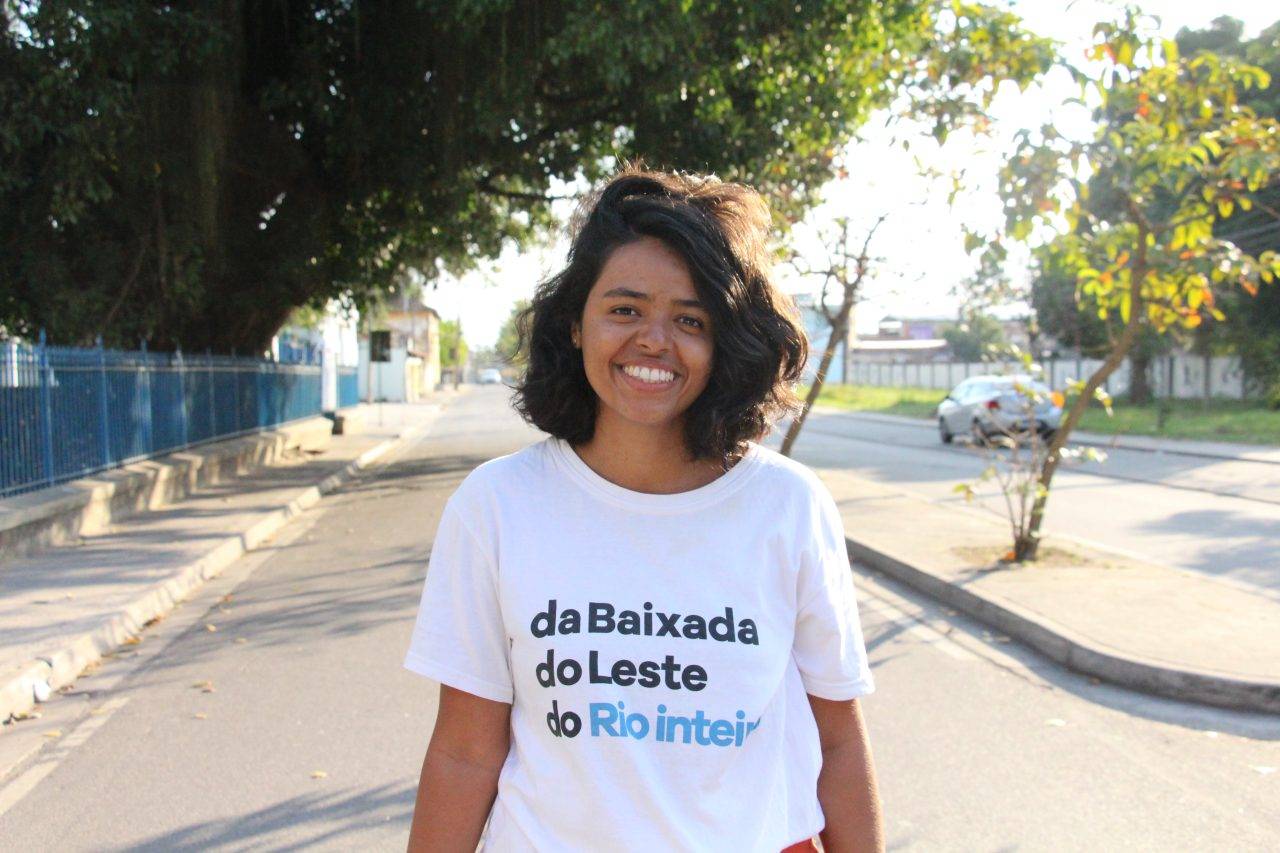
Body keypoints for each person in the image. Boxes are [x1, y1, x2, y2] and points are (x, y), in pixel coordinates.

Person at [403, 165, 883, 852]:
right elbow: (464, 752)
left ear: (725, 341)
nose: (655, 340)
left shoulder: (788, 508)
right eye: (624, 310)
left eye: (691, 319)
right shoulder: (498, 506)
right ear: (575, 323)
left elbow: (838, 742)